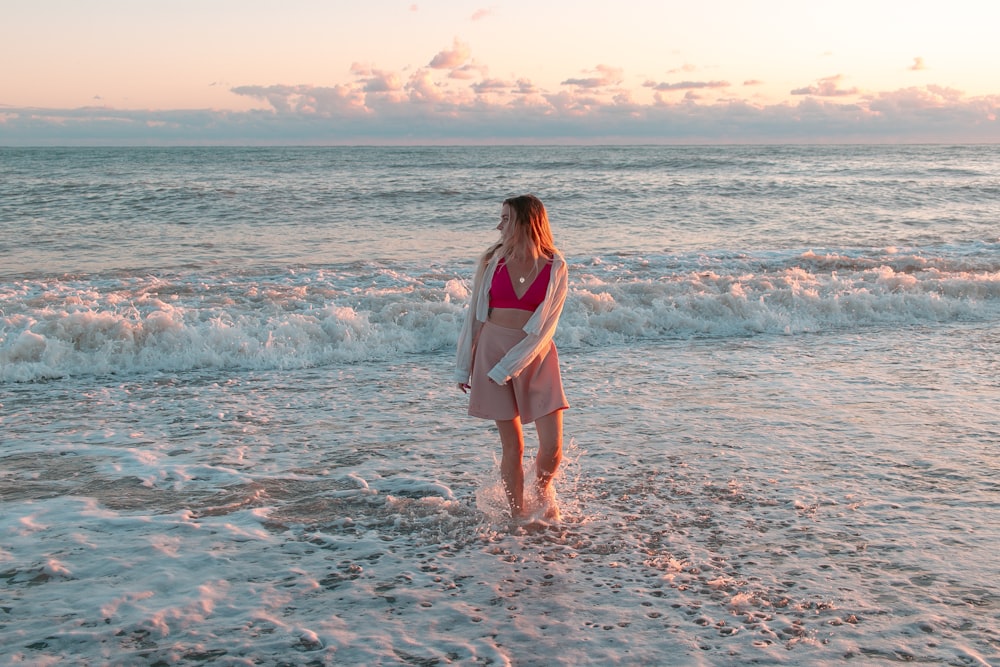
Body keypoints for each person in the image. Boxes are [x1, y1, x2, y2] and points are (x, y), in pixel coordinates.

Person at [455, 194, 570, 522]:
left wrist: (510, 366)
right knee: (514, 447)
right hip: (491, 354)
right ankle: (518, 513)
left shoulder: (555, 266)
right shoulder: (493, 262)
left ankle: (543, 489)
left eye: (505, 218)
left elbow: (546, 326)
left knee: (552, 447)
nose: (498, 225)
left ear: (525, 222)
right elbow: (474, 318)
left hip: (535, 355)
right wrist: (465, 365)